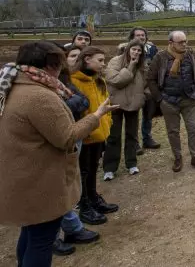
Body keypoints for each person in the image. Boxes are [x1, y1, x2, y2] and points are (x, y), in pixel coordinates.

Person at [0, 41, 117, 267]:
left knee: (31, 234)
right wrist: (96, 115)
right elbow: (66, 136)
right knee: (42, 240)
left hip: (22, 177)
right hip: (39, 182)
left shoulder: (12, 84)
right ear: (50, 65)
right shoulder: (39, 96)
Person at [48, 43, 101, 256]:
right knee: (54, 189)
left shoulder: (62, 81)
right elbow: (75, 103)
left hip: (73, 134)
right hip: (58, 142)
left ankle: (72, 227)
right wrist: (73, 104)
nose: (64, 64)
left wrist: (72, 103)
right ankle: (52, 238)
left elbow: (83, 100)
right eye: (59, 60)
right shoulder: (41, 90)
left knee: (67, 183)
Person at [70, 46, 119, 225]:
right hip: (85, 135)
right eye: (100, 60)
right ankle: (84, 207)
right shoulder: (73, 82)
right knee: (82, 172)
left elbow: (105, 103)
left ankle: (93, 198)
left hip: (100, 134)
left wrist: (109, 123)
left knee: (92, 169)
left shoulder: (98, 80)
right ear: (86, 59)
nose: (103, 64)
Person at [146, 30, 195, 172]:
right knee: (173, 131)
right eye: (180, 42)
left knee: (194, 129)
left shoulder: (192, 55)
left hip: (189, 99)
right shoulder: (160, 57)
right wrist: (160, 99)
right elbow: (150, 79)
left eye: (185, 41)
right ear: (171, 43)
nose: (184, 44)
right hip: (169, 101)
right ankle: (177, 157)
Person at [103, 39, 148, 181]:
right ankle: (110, 168)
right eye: (134, 49)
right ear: (128, 49)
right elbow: (116, 80)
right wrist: (130, 66)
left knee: (132, 134)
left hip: (134, 104)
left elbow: (147, 82)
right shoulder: (115, 61)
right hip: (116, 103)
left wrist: (144, 96)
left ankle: (131, 163)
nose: (136, 52)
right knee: (114, 136)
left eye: (139, 50)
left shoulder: (142, 65)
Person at [118, 27, 161, 153]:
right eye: (137, 35)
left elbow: (156, 65)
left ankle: (147, 138)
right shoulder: (124, 50)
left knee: (148, 113)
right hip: (133, 86)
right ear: (132, 37)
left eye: (143, 35)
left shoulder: (152, 49)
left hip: (148, 86)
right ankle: (134, 143)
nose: (141, 37)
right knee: (133, 115)